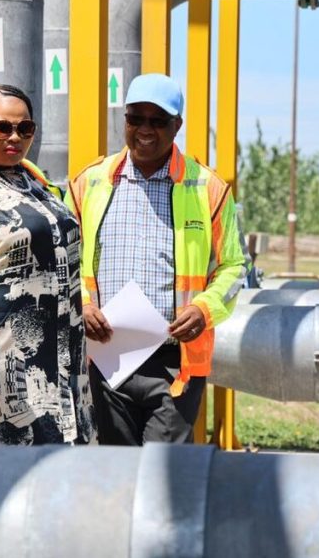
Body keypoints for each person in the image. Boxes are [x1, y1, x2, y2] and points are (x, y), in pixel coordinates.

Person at [65, 73, 249, 445]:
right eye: (136, 118)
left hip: (176, 362)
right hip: (106, 358)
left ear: (177, 125)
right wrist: (81, 305)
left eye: (158, 121)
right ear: (125, 120)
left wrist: (203, 309)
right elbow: (63, 259)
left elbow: (233, 266)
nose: (145, 129)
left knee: (163, 469)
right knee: (116, 467)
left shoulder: (208, 188)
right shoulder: (90, 183)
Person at [0, 84, 95, 444]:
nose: (14, 137)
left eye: (25, 128)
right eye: (2, 127)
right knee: (4, 472)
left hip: (63, 368)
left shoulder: (37, 181)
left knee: (61, 472)